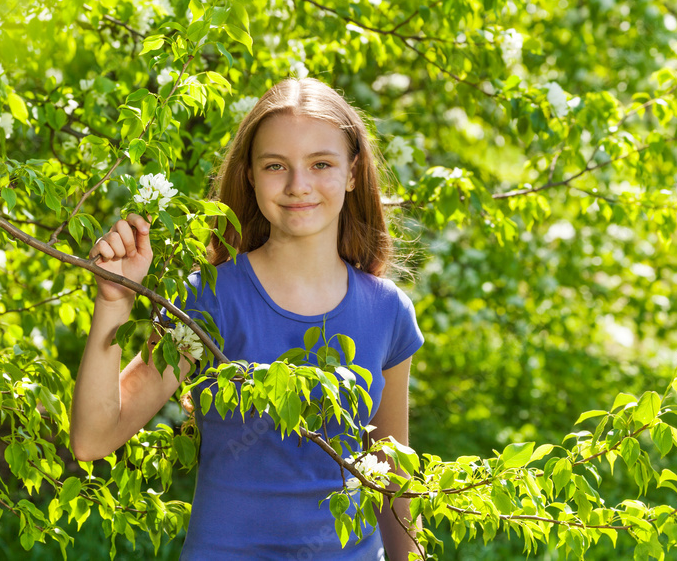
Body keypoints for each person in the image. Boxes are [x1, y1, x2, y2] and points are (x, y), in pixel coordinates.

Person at [71, 77, 425, 559]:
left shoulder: (387, 311)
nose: (299, 185)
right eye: (276, 165)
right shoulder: (209, 300)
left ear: (352, 171)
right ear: (252, 176)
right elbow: (93, 438)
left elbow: (394, 474)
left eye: (320, 163)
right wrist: (114, 304)